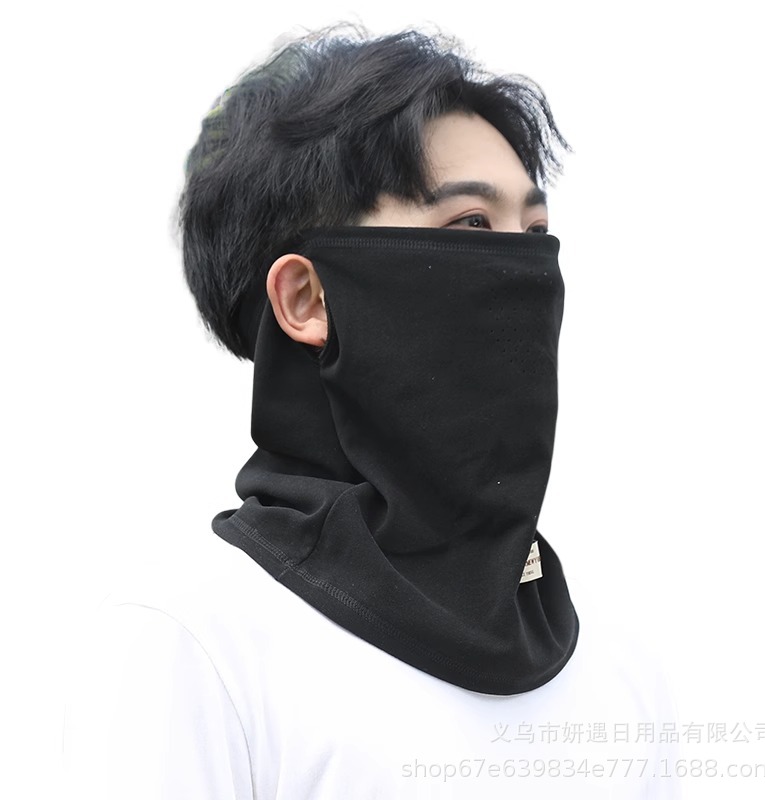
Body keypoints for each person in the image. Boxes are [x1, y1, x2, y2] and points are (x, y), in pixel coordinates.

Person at [62, 27, 681, 799]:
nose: (524, 271)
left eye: (535, 233)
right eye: (471, 226)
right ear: (306, 298)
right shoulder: (193, 644)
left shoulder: (612, 661)